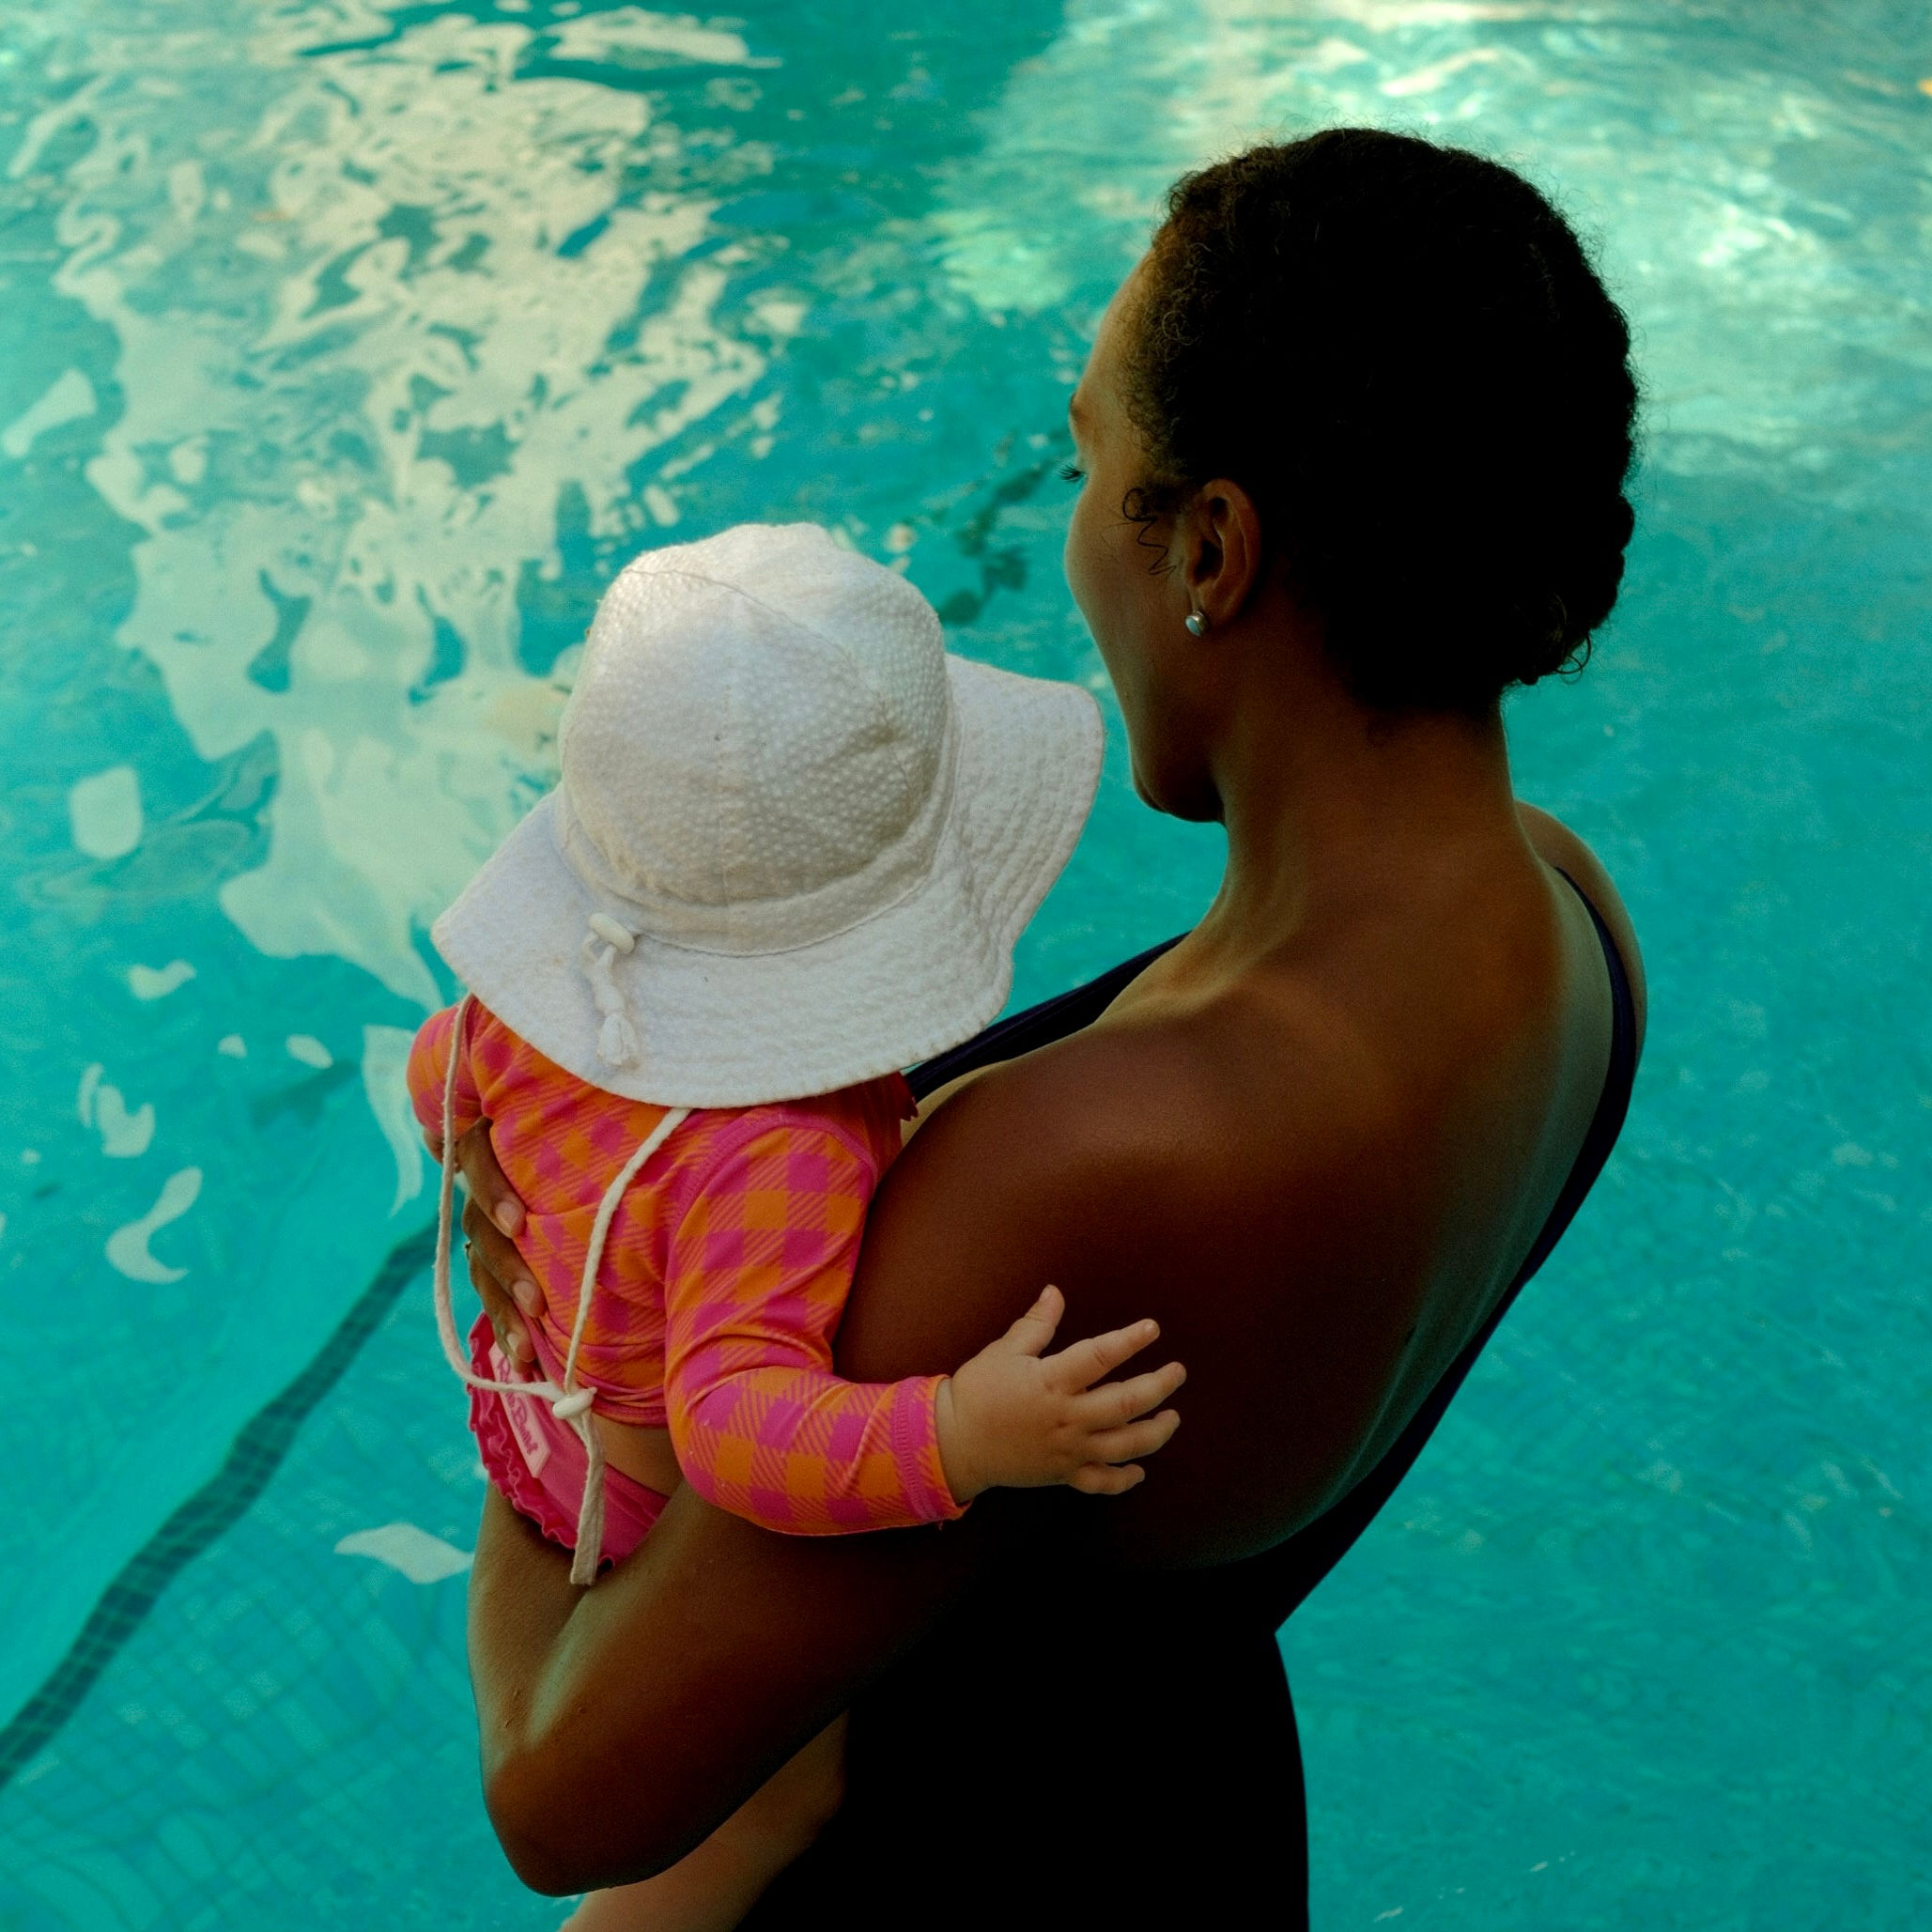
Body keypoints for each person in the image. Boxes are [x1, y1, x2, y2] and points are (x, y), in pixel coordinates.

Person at [450, 129, 1647, 1928]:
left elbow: (560, 1791)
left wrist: (543, 1322)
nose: (1078, 530)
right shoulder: (1565, 927)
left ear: (1213, 547)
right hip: (1186, 1819)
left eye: (1092, 464)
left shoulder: (1078, 1172)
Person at [406, 521, 1183, 1929]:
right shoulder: (784, 1147)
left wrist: (481, 1163)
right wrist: (962, 1431)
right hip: (630, 1502)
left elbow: (434, 1071)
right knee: (780, 1792)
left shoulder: (525, 1002)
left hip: (528, 1414)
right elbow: (735, 1426)